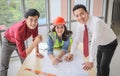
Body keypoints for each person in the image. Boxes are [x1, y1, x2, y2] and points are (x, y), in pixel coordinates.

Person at [65, 4, 118, 76]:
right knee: (99, 64)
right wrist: (71, 53)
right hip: (100, 42)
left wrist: (90, 61)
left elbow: (94, 42)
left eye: (82, 14)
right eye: (77, 16)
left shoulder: (96, 23)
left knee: (103, 66)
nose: (80, 17)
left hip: (110, 43)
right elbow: (76, 39)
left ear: (87, 13)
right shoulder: (80, 23)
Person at [0, 9, 44, 76]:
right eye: (31, 20)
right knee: (4, 66)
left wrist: (37, 52)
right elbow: (23, 53)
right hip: (8, 41)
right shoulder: (19, 30)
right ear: (26, 19)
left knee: (25, 62)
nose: (33, 23)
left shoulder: (35, 25)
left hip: (19, 41)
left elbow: (35, 38)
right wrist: (35, 43)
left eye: (36, 20)